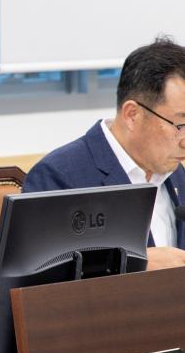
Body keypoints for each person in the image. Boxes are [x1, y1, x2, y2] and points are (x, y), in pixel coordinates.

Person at [24, 37, 185, 270]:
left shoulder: (175, 173)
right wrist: (134, 265)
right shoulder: (60, 177)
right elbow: (38, 279)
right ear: (132, 115)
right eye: (180, 125)